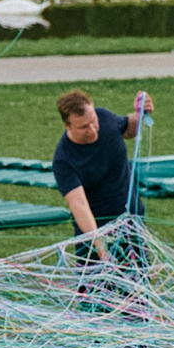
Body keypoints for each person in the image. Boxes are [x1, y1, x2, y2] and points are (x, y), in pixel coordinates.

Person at [52, 89, 149, 243]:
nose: (92, 130)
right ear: (66, 125)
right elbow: (80, 206)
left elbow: (128, 129)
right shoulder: (63, 161)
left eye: (93, 121)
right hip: (96, 236)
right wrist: (98, 243)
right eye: (83, 127)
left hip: (133, 226)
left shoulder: (104, 117)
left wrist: (141, 114)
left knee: (139, 267)